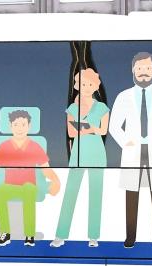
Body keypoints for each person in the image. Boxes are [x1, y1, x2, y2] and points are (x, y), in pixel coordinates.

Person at [109, 51, 152, 248]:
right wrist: (126, 142)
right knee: (131, 195)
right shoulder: (123, 97)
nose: (143, 72)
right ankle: (130, 237)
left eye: (147, 68)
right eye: (139, 68)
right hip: (133, 151)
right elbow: (114, 125)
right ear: (133, 70)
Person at [0, 109, 61, 246]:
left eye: (23, 125)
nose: (20, 128)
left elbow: (46, 169)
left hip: (28, 185)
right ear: (10, 126)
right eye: (16, 125)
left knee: (29, 192)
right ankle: (5, 232)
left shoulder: (34, 146)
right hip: (9, 185)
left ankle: (29, 234)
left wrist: (55, 180)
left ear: (29, 126)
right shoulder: (4, 146)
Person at [51, 68, 110, 248]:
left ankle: (93, 237)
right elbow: (70, 132)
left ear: (95, 86)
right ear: (77, 86)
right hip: (78, 153)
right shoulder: (72, 108)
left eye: (89, 84)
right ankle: (61, 235)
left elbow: (103, 130)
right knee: (70, 194)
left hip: (97, 153)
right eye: (82, 84)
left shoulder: (102, 107)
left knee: (95, 195)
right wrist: (90, 129)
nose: (86, 87)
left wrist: (87, 128)